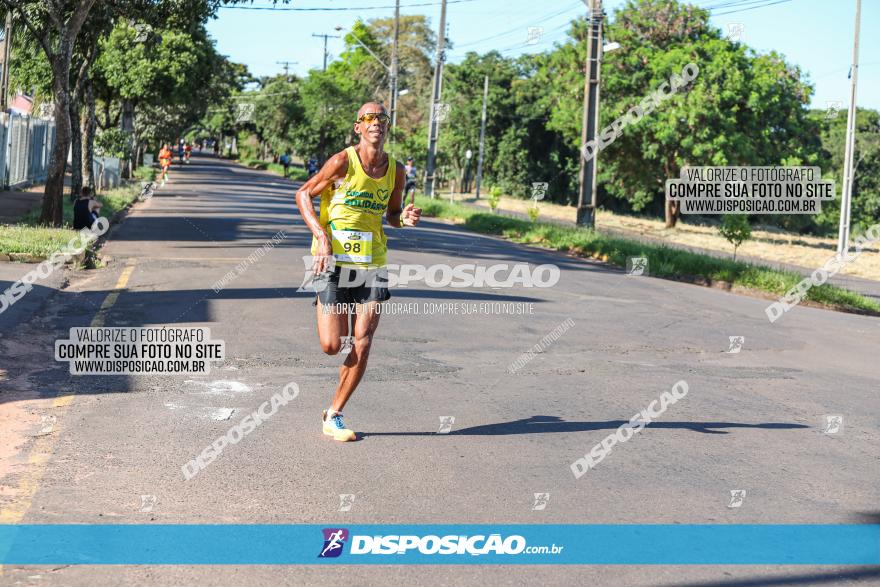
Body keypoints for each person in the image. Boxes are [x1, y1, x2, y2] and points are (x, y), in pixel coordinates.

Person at [295, 102, 422, 442]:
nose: (376, 122)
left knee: (363, 343)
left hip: (371, 262)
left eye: (382, 118)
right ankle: (332, 405)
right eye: (369, 118)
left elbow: (392, 215)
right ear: (358, 128)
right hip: (331, 261)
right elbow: (303, 193)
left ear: (387, 126)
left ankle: (334, 413)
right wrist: (321, 237)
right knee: (331, 345)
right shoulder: (342, 161)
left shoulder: (396, 171)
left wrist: (403, 219)